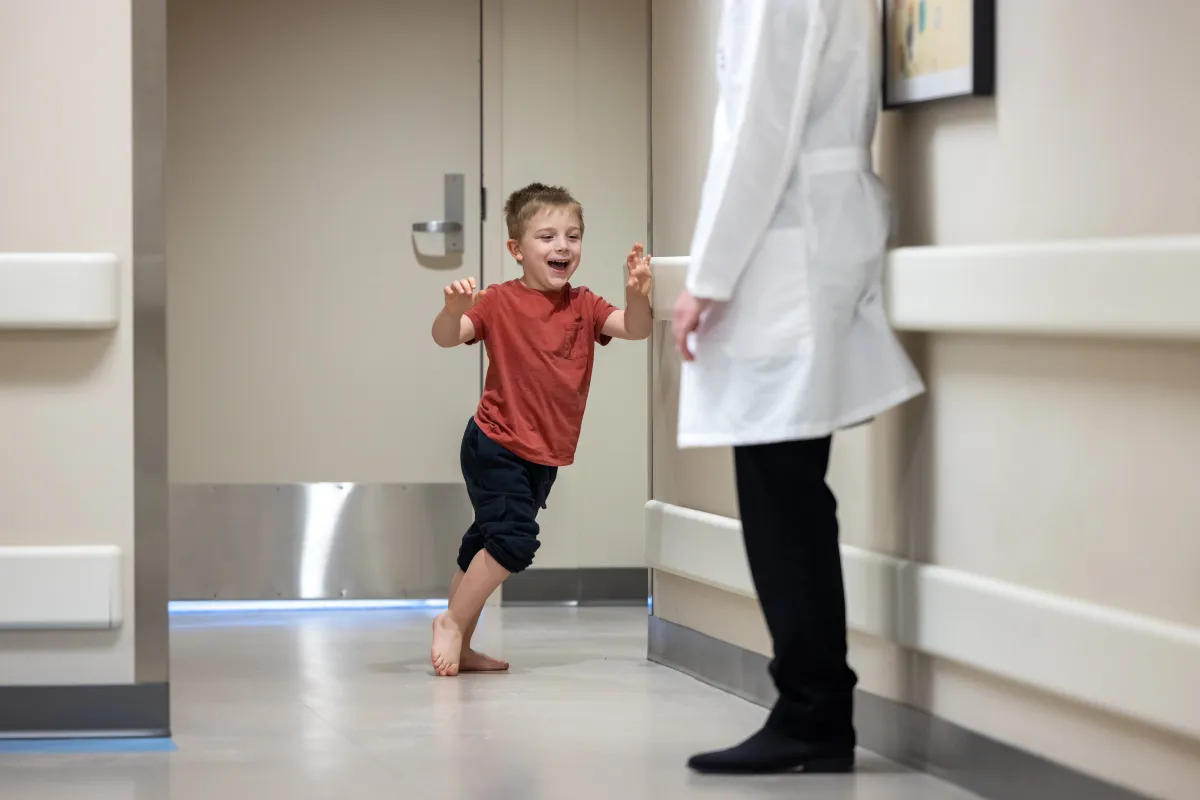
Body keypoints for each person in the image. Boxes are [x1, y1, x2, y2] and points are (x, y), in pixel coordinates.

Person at [672, 0, 926, 775]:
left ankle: (813, 710)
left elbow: (759, 127)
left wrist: (707, 278)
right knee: (789, 488)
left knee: (781, 491)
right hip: (809, 238)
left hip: (787, 252)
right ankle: (814, 706)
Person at [429, 182, 652, 677]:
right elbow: (448, 338)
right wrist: (451, 312)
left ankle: (461, 644)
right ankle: (450, 622)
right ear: (517, 249)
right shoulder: (497, 301)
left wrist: (638, 297)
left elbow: (636, 328)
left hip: (543, 453)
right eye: (547, 237)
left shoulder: (585, 304)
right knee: (512, 541)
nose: (562, 247)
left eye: (572, 236)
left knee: (484, 538)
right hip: (495, 441)